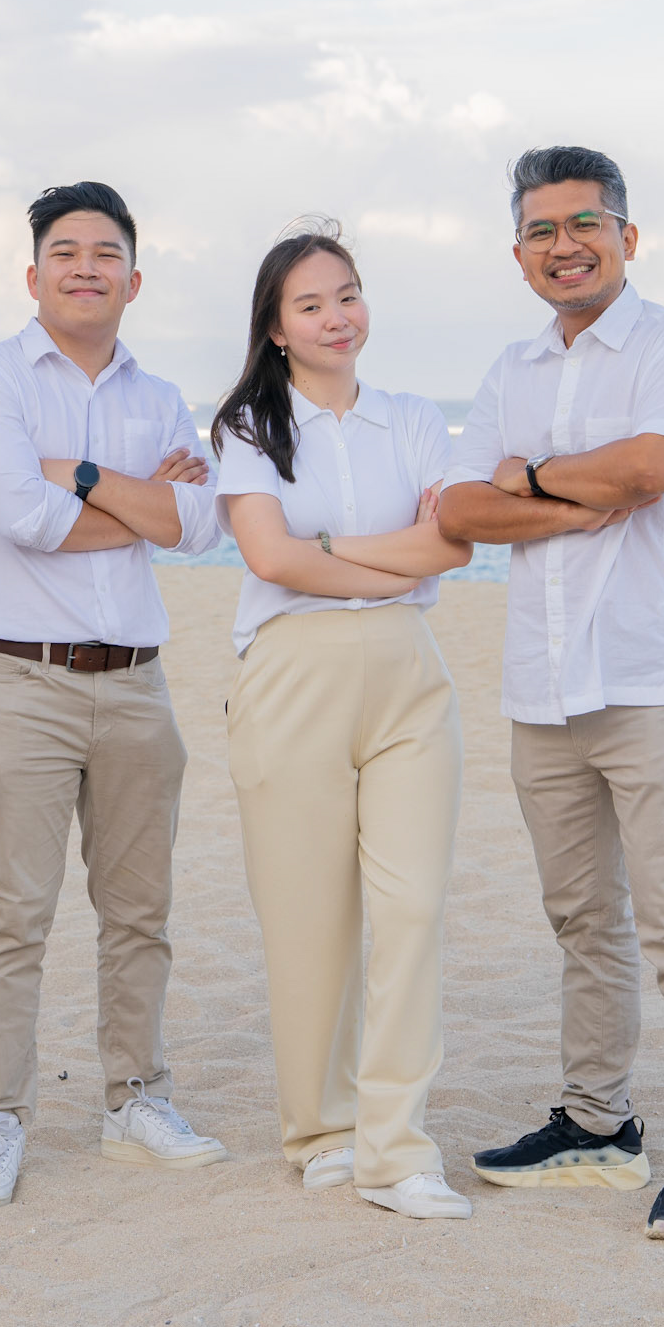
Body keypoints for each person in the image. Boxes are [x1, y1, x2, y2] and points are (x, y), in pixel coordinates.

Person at [438, 144, 664, 1243]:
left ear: (627, 234)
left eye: (584, 223)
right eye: (541, 229)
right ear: (518, 251)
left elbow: (650, 469)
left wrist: (529, 477)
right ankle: (596, 1122)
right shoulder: (511, 369)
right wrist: (577, 493)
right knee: (580, 920)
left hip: (653, 681)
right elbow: (459, 511)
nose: (563, 245)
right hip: (543, 688)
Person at [0, 180, 228, 1209]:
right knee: (12, 913)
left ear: (133, 280)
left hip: (138, 684)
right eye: (65, 251)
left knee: (139, 910)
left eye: (106, 252)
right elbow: (21, 516)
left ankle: (134, 1098)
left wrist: (86, 473)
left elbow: (201, 525)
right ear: (33, 275)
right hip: (24, 679)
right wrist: (145, 499)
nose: (85, 267)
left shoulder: (159, 395)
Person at [212, 226, 475, 1221]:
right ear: (277, 328)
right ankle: (321, 1130)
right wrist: (384, 553)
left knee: (412, 908)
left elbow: (450, 548)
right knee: (307, 917)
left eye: (349, 294)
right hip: (291, 673)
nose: (337, 317)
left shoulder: (413, 419)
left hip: (409, 673)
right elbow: (270, 560)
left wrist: (330, 543)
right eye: (312, 304)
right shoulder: (247, 426)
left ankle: (395, 1147)